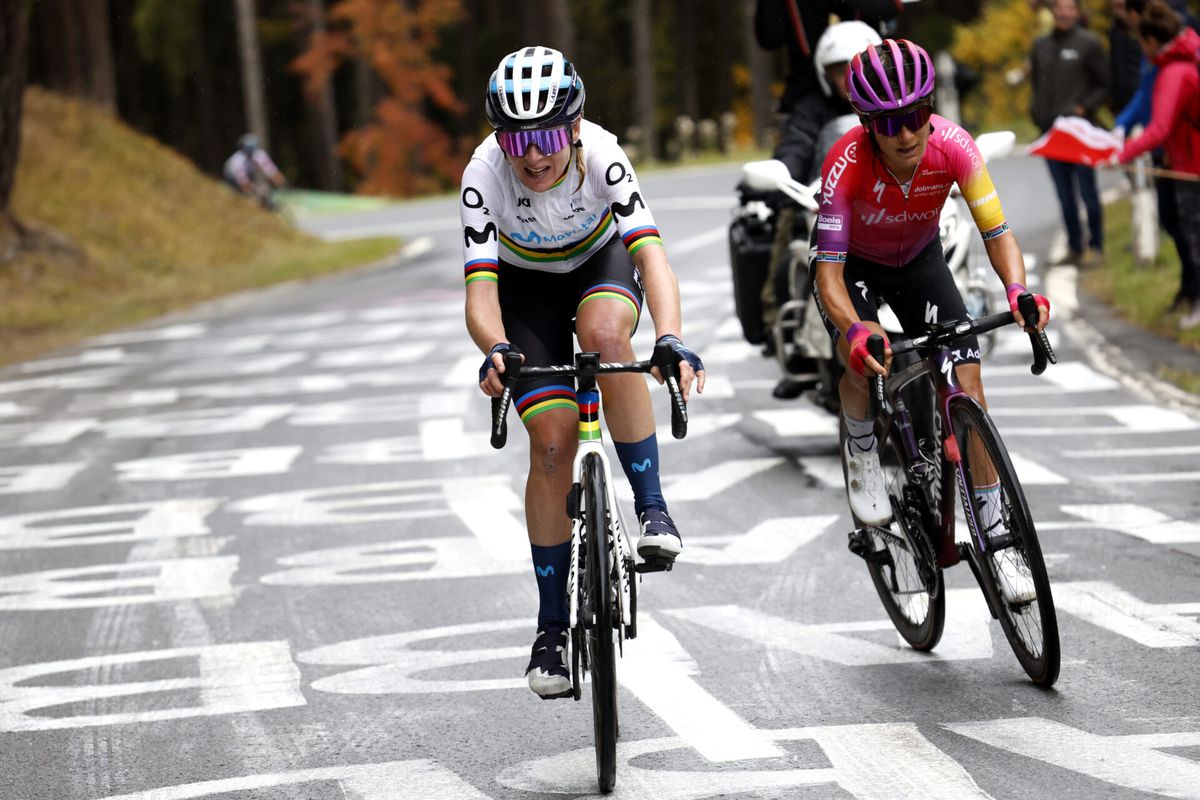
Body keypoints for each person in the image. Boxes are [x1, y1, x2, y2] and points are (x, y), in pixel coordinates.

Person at [462, 46, 705, 699]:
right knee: (550, 443)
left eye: (545, 136)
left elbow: (652, 260)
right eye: (516, 139)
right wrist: (494, 348)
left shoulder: (601, 154)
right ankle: (550, 632)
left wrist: (672, 337)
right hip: (526, 291)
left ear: (571, 129)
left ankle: (653, 511)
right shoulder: (484, 174)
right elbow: (481, 296)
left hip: (598, 266)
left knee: (606, 337)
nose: (532, 155)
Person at [811, 38, 1051, 603]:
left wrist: (1016, 289)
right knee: (865, 361)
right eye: (891, 122)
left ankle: (997, 538)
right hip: (855, 270)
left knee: (968, 378)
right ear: (869, 124)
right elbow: (828, 279)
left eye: (917, 114)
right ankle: (864, 450)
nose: (907, 133)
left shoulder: (955, 146)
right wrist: (856, 330)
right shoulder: (844, 164)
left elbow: (997, 232)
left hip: (920, 260)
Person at [760, 20, 884, 399]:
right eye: (839, 69)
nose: (849, 77)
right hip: (824, 201)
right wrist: (783, 175)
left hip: (887, 202)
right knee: (785, 247)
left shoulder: (896, 97)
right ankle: (787, 335)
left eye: (858, 65)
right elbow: (796, 144)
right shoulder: (812, 107)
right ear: (824, 73)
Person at [1114, 1, 1200, 329]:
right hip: (1187, 163)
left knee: (1194, 237)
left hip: (1191, 166)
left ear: (1151, 39)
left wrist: (1121, 154)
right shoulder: (1181, 63)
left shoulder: (1174, 72)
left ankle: (1197, 304)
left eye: (1140, 41)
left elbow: (1159, 128)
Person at [1030, 0, 1109, 265]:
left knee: (1088, 191)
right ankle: (1075, 247)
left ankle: (1096, 247)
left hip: (1077, 134)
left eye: (1069, 8)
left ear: (1077, 12)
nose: (1063, 13)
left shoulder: (1089, 43)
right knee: (1064, 195)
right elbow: (1036, 84)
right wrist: (1036, 113)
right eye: (1059, 8)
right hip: (1050, 134)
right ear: (1052, 12)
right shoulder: (1040, 46)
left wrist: (1083, 107)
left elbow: (1104, 84)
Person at [222, 133, 286, 208]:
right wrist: (256, 191)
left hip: (247, 175)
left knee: (260, 192)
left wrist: (282, 185)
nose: (250, 153)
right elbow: (243, 182)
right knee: (249, 194)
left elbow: (272, 171)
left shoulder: (259, 155)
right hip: (232, 177)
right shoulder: (238, 161)